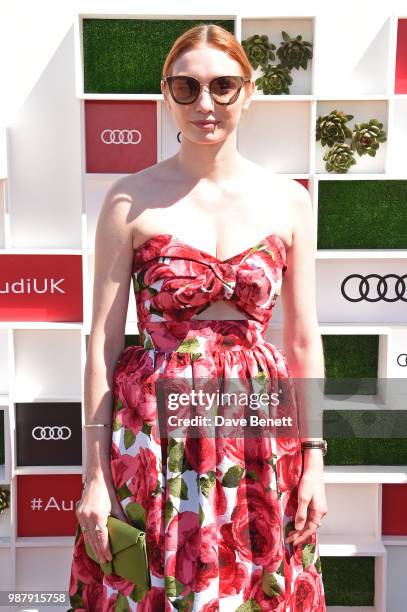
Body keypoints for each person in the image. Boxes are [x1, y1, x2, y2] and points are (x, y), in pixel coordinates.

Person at [68, 23, 327, 611]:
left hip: (259, 436)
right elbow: (102, 346)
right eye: (186, 88)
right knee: (151, 583)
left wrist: (314, 457)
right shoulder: (130, 198)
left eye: (222, 86)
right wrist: (93, 474)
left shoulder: (289, 199)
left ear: (250, 91)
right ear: (166, 94)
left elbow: (305, 339)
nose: (204, 104)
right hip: (152, 438)